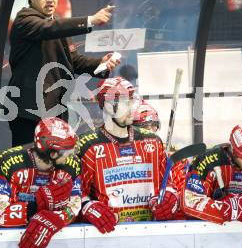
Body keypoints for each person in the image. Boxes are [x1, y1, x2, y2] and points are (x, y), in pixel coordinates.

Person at [8, 0, 120, 146]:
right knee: (29, 166)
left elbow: (73, 61)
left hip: (55, 110)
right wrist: (91, 20)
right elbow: (49, 28)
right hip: (28, 113)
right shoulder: (24, 19)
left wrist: (101, 63)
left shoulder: (57, 23)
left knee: (56, 166)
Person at [76, 77, 183, 232]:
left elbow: (168, 183)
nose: (132, 107)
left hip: (151, 231)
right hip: (109, 233)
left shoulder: (152, 141)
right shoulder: (88, 146)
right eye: (125, 102)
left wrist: (170, 197)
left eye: (132, 101)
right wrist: (88, 206)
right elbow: (76, 192)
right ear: (107, 105)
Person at [0, 117, 82, 248]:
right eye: (68, 150)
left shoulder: (73, 166)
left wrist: (53, 219)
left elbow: (75, 206)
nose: (72, 154)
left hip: (48, 236)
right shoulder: (8, 162)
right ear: (53, 154)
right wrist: (37, 207)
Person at [182, 124, 242, 224]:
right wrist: (231, 209)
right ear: (234, 150)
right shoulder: (205, 161)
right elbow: (190, 201)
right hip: (214, 232)